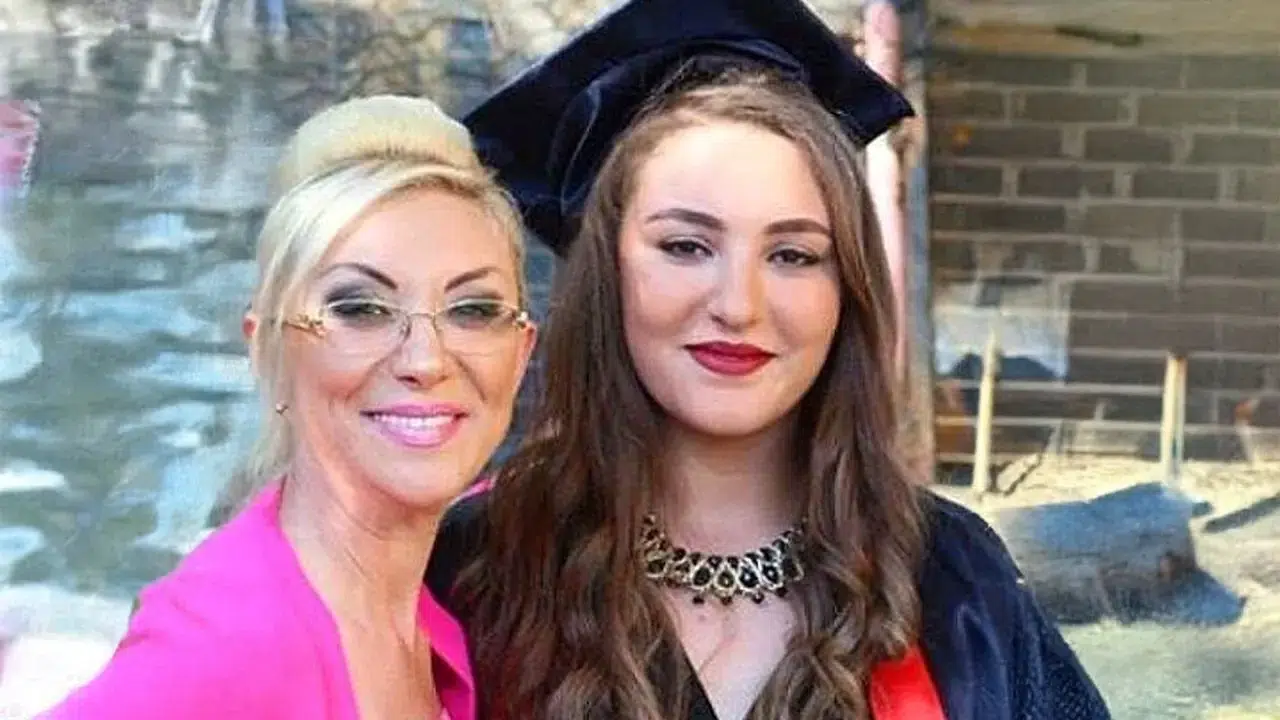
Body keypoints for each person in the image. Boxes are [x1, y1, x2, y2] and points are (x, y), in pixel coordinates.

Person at [425, 0, 1112, 719]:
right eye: (685, 246)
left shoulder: (952, 582)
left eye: (793, 255)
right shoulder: (475, 572)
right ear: (607, 274)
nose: (739, 305)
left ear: (845, 288)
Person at [41, 94, 537, 720]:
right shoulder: (226, 644)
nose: (426, 359)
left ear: (522, 352)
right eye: (360, 308)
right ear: (268, 347)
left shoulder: (424, 611)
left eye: (472, 310)